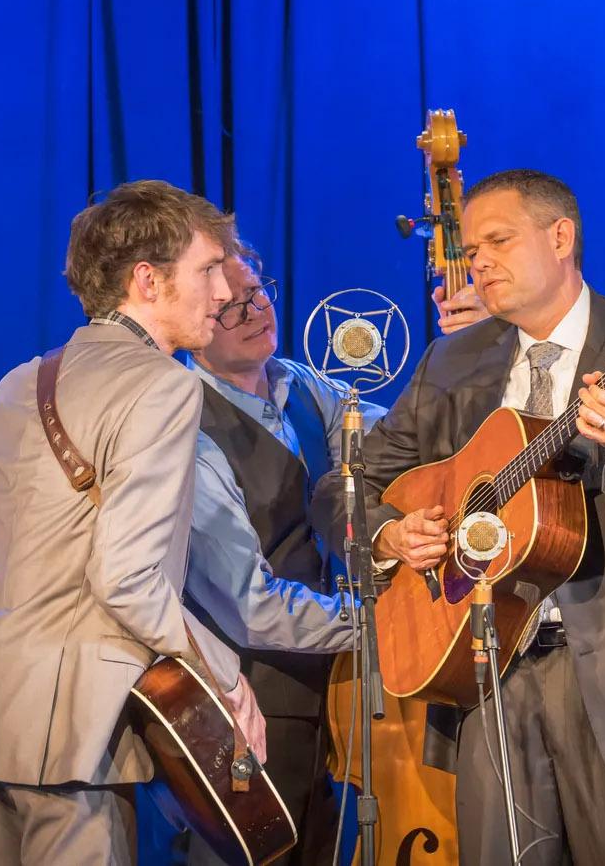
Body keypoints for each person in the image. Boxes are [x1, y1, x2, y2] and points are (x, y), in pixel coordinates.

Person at [315, 169, 605, 866]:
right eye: (471, 248)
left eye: (498, 240)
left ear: (562, 236)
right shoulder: (452, 362)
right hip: (487, 679)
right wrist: (388, 533)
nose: (477, 261)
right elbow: (346, 486)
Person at [0, 181, 351, 866]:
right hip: (78, 731)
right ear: (147, 280)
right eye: (208, 271)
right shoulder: (165, 384)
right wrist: (224, 674)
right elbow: (127, 579)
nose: (223, 294)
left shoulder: (18, 381)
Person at [182, 241, 386, 866]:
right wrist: (382, 625)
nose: (254, 311)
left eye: (258, 291)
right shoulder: (186, 427)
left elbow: (400, 442)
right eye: (230, 307)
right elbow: (251, 606)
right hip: (254, 701)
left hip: (331, 690)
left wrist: (471, 344)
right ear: (193, 323)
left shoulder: (301, 386)